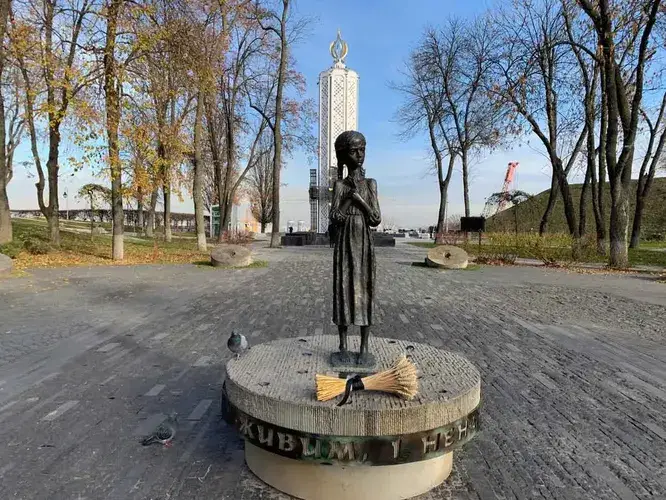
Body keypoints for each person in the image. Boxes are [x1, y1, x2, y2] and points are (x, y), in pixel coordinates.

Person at [329, 131, 381, 366]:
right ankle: (341, 346)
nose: (359, 155)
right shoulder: (339, 185)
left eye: (362, 150)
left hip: (363, 244)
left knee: (364, 290)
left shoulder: (370, 184)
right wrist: (350, 198)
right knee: (342, 289)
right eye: (353, 151)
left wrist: (360, 200)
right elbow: (335, 218)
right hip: (344, 244)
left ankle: (363, 347)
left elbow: (376, 218)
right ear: (343, 155)